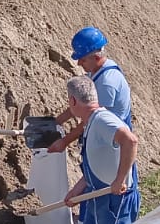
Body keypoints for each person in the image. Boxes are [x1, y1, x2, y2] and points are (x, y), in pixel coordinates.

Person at [61, 74, 140, 224]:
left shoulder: (103, 120)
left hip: (114, 201)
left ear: (73, 101)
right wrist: (78, 189)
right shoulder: (91, 122)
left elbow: (130, 141)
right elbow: (99, 164)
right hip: (96, 197)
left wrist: (120, 180)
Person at [47, 26, 132, 156]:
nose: (79, 63)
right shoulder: (96, 71)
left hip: (112, 145)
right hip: (102, 137)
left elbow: (91, 119)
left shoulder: (106, 83)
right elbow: (80, 105)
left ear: (96, 58)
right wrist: (55, 123)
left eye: (83, 59)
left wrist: (64, 142)